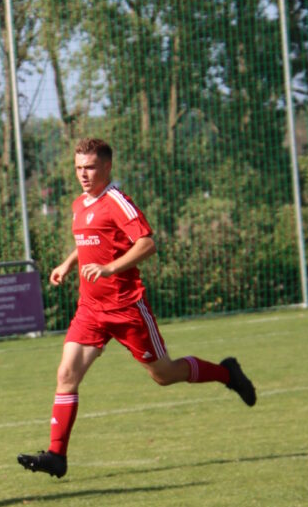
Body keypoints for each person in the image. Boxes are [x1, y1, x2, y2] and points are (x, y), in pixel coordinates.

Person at [18, 138, 257, 479]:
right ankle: (57, 455)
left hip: (126, 307)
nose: (83, 174)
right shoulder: (80, 203)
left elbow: (147, 243)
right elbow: (90, 241)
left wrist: (110, 269)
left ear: (107, 167)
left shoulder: (117, 202)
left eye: (90, 167)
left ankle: (227, 373)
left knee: (164, 375)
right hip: (91, 309)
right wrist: (68, 264)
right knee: (66, 374)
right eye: (78, 168)